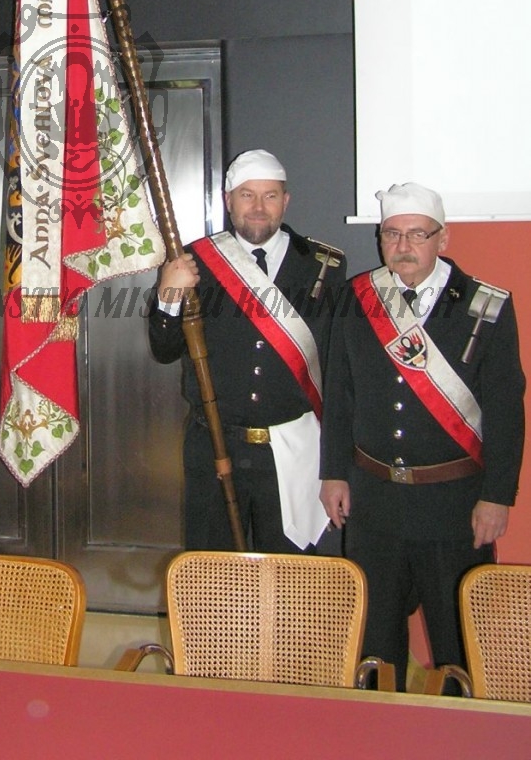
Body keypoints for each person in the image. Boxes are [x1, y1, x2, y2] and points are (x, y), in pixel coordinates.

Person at [320, 182, 525, 689]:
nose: (403, 245)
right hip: (375, 503)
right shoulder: (357, 299)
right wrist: (333, 474)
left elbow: (505, 411)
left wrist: (497, 496)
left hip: (453, 506)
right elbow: (340, 395)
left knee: (458, 645)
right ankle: (376, 727)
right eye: (391, 234)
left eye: (417, 234)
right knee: (374, 645)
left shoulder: (486, 306)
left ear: (443, 238)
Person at [149, 149, 346, 553]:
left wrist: (336, 465)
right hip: (214, 446)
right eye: (247, 195)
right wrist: (167, 295)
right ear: (228, 201)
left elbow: (338, 372)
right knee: (211, 575)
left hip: (292, 452)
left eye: (270, 196)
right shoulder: (195, 262)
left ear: (285, 201)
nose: (258, 207)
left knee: (289, 575)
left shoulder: (323, 267)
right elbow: (163, 350)